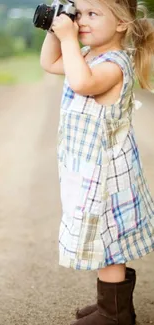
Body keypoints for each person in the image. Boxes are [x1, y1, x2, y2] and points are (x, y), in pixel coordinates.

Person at [40, 0, 154, 324]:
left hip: (107, 176)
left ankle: (114, 314)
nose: (81, 21)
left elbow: (82, 83)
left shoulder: (114, 64)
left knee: (109, 241)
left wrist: (68, 39)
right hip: (90, 170)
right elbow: (50, 63)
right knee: (105, 239)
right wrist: (56, 28)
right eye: (79, 13)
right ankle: (115, 305)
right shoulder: (89, 56)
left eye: (92, 14)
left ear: (121, 24)